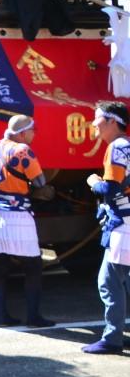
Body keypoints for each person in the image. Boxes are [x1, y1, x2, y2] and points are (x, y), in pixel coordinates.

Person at [0, 114, 53, 327]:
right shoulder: (22, 151)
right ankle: (33, 316)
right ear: (21, 133)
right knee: (33, 266)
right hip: (15, 215)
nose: (34, 134)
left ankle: (1, 316)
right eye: (32, 130)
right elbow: (40, 181)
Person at [83, 101, 130, 354]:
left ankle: (112, 338)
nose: (94, 124)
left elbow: (112, 188)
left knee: (109, 282)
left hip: (124, 224)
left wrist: (94, 182)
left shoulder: (117, 147)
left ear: (113, 121)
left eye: (98, 118)